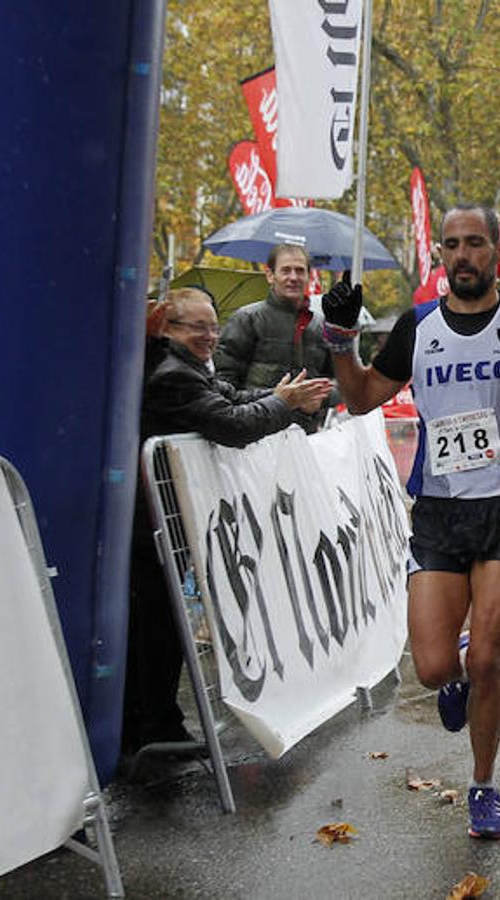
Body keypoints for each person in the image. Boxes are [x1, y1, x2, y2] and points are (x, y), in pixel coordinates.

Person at [319, 204, 500, 841]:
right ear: (438, 255)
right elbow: (360, 397)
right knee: (435, 668)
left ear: (496, 250)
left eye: (474, 244)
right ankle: (458, 666)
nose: (462, 255)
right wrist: (337, 337)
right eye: (451, 245)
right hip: (438, 512)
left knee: (491, 659)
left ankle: (483, 784)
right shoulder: (418, 326)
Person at [125, 288, 331, 758]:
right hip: (152, 523)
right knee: (155, 628)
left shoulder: (188, 367)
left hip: (166, 521)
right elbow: (232, 424)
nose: (210, 336)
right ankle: (152, 730)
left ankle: (156, 725)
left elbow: (234, 397)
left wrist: (283, 397)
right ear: (168, 330)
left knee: (162, 625)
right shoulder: (172, 376)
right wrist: (286, 404)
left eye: (213, 326)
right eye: (197, 327)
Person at [214, 243, 337, 432]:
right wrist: (274, 401)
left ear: (308, 276)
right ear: (270, 275)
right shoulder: (247, 318)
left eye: (299, 271)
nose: (293, 277)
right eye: (286, 270)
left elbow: (341, 383)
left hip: (306, 436)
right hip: (256, 435)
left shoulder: (321, 325)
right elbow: (223, 382)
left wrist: (321, 401)